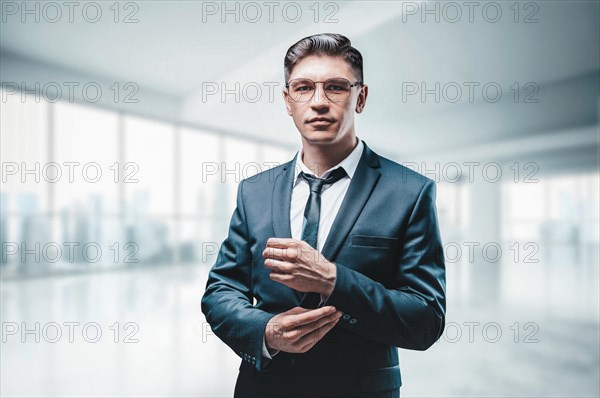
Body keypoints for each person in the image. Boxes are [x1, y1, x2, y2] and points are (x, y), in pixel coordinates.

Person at [201, 33, 446, 398]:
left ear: (360, 98)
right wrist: (265, 331)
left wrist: (333, 280)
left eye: (335, 87)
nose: (318, 102)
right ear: (288, 100)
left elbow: (426, 319)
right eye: (303, 88)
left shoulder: (409, 191)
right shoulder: (254, 191)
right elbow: (221, 291)